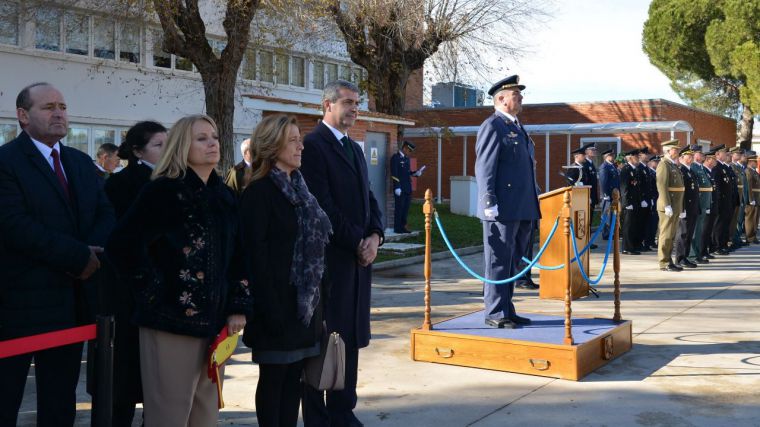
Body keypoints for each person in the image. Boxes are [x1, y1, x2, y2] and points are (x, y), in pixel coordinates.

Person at [106, 115, 252, 427]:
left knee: (205, 414)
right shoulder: (163, 191)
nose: (212, 143)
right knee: (170, 414)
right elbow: (122, 247)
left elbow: (239, 254)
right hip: (170, 323)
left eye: (213, 136)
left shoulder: (224, 195)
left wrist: (238, 304)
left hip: (214, 324)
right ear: (182, 145)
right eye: (201, 138)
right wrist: (155, 292)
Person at [0, 82, 115, 426]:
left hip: (72, 305)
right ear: (23, 115)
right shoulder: (6, 162)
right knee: (6, 400)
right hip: (19, 305)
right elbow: (15, 225)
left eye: (62, 106)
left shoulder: (79, 162)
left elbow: (105, 213)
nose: (59, 113)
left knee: (60, 402)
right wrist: (78, 257)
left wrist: (91, 253)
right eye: (49, 106)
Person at [300, 80, 384, 427]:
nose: (354, 109)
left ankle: (342, 408)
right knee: (325, 339)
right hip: (331, 262)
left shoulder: (353, 147)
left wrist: (376, 236)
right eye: (347, 103)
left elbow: (369, 198)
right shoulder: (313, 146)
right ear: (327, 105)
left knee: (349, 338)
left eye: (357, 104)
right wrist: (357, 242)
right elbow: (322, 206)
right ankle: (318, 416)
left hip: (357, 261)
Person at [240, 115, 331, 427]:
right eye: (292, 140)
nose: (300, 146)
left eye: (299, 139)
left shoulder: (302, 190)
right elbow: (255, 257)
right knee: (275, 380)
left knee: (295, 382)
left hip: (305, 308)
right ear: (271, 145)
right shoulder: (259, 192)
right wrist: (270, 309)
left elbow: (317, 250)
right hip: (275, 309)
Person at [101, 120, 167, 426]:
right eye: (159, 146)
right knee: (126, 377)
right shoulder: (123, 183)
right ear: (138, 150)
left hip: (162, 293)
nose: (167, 151)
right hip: (131, 292)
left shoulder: (171, 180)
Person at [475, 74, 540, 329]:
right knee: (498, 261)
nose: (521, 97)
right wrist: (488, 201)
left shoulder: (516, 127)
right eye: (516, 94)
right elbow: (485, 168)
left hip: (522, 206)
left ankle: (507, 309)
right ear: (501, 99)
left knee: (513, 261)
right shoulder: (493, 126)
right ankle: (495, 311)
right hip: (501, 208)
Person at [656, 139, 685, 271]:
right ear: (668, 151)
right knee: (666, 234)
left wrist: (681, 206)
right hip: (668, 205)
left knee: (672, 234)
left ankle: (669, 260)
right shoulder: (664, 165)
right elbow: (662, 186)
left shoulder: (673, 165)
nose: (678, 151)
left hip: (675, 205)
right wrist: (667, 205)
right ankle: (664, 262)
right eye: (675, 149)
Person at [672, 146, 700, 268]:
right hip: (685, 207)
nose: (692, 158)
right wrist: (682, 209)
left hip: (692, 207)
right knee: (682, 233)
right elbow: (681, 192)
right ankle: (679, 258)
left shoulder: (690, 171)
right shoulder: (681, 171)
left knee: (689, 233)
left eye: (692, 156)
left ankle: (686, 256)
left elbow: (695, 191)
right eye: (689, 156)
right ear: (682, 157)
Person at [390, 140, 424, 233]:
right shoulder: (395, 158)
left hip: (407, 187)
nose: (409, 153)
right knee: (399, 208)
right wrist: (397, 186)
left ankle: (403, 226)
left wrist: (416, 173)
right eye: (409, 151)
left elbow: (407, 172)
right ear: (404, 148)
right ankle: (397, 228)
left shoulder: (406, 159)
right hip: (400, 188)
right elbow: (394, 173)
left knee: (405, 209)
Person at [689, 145, 713, 264]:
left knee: (700, 230)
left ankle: (698, 253)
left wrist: (708, 204)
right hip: (698, 202)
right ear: (694, 154)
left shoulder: (700, 167)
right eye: (700, 153)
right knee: (695, 230)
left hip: (704, 202)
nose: (703, 155)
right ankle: (693, 254)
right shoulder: (693, 167)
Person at [619, 149, 643, 255]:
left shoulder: (635, 169)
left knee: (634, 225)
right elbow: (624, 188)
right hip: (629, 203)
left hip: (636, 202)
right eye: (636, 157)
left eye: (638, 157)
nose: (638, 159)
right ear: (629, 158)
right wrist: (627, 203)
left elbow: (637, 187)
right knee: (628, 226)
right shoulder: (626, 169)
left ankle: (632, 246)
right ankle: (626, 248)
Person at [712, 145, 733, 255]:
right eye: (724, 153)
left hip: (727, 201)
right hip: (721, 201)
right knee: (719, 224)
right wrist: (718, 201)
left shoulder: (724, 167)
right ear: (718, 154)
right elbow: (718, 187)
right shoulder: (717, 168)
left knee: (725, 224)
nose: (726, 155)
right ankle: (717, 246)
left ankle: (723, 244)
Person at [699, 149, 720, 259]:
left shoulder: (710, 172)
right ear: (708, 160)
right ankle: (702, 251)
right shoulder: (704, 171)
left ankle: (705, 250)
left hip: (712, 204)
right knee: (705, 229)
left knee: (709, 229)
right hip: (707, 204)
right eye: (714, 159)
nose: (716, 161)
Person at [598, 148, 620, 240]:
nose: (613, 156)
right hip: (608, 196)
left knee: (613, 214)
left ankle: (611, 232)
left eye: (613, 155)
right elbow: (603, 182)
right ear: (606, 157)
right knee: (607, 215)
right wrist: (605, 195)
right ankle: (606, 234)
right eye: (611, 155)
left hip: (614, 196)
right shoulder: (604, 167)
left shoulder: (612, 166)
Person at [729, 147, 747, 247]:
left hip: (740, 195)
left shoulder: (739, 167)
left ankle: (736, 238)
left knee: (737, 219)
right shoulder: (731, 166)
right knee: (732, 219)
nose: (739, 156)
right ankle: (732, 239)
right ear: (732, 155)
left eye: (740, 154)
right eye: (737, 154)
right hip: (734, 195)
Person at [643, 155, 660, 249]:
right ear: (651, 162)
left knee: (655, 222)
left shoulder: (656, 172)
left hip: (657, 199)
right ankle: (647, 241)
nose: (657, 163)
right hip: (652, 199)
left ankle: (652, 240)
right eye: (655, 162)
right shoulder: (649, 172)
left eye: (658, 162)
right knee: (650, 222)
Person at [744, 152, 760, 244]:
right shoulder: (748, 171)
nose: (756, 163)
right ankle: (749, 236)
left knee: (755, 218)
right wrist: (751, 199)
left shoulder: (754, 171)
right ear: (750, 162)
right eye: (755, 162)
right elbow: (749, 187)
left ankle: (753, 236)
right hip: (753, 198)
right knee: (750, 218)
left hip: (757, 198)